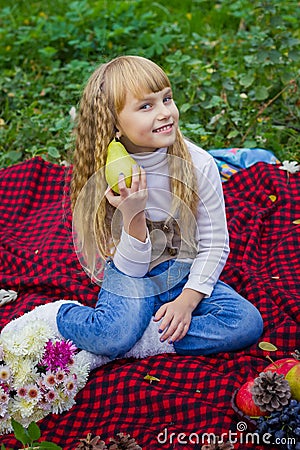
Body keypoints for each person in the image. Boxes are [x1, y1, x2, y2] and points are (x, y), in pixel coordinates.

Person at [56, 55, 263, 359]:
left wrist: (187, 301)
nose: (166, 112)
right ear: (115, 124)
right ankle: (55, 318)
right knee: (110, 335)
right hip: (133, 273)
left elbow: (215, 242)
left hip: (184, 270)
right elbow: (127, 267)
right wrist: (133, 215)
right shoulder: (106, 174)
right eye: (146, 106)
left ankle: (145, 341)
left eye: (167, 98)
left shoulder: (199, 164)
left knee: (245, 323)